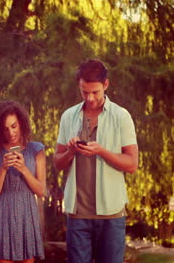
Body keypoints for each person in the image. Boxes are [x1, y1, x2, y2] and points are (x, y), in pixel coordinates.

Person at [53, 59, 138, 263]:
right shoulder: (68, 117)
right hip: (77, 214)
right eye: (84, 92)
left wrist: (102, 151)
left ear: (105, 85)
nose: (90, 98)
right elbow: (57, 163)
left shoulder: (121, 117)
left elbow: (132, 164)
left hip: (111, 215)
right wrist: (71, 151)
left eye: (95, 92)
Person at [0, 100, 46, 263]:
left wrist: (24, 169)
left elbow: (41, 191)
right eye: (5, 129)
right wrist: (3, 168)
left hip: (27, 213)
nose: (11, 133)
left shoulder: (36, 150)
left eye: (14, 126)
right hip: (3, 213)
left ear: (22, 124)